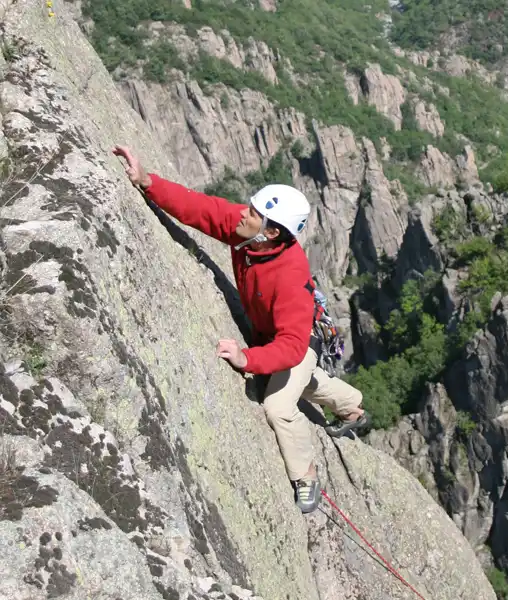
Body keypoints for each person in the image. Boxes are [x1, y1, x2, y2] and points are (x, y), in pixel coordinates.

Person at [112, 145, 372, 514]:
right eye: (250, 208)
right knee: (298, 378)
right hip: (275, 332)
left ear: (271, 233)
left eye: (253, 213)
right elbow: (201, 210)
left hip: (298, 338)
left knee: (278, 404)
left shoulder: (289, 276)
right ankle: (352, 407)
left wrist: (246, 358)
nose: (243, 214)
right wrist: (147, 181)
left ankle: (307, 475)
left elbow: (293, 347)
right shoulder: (250, 232)